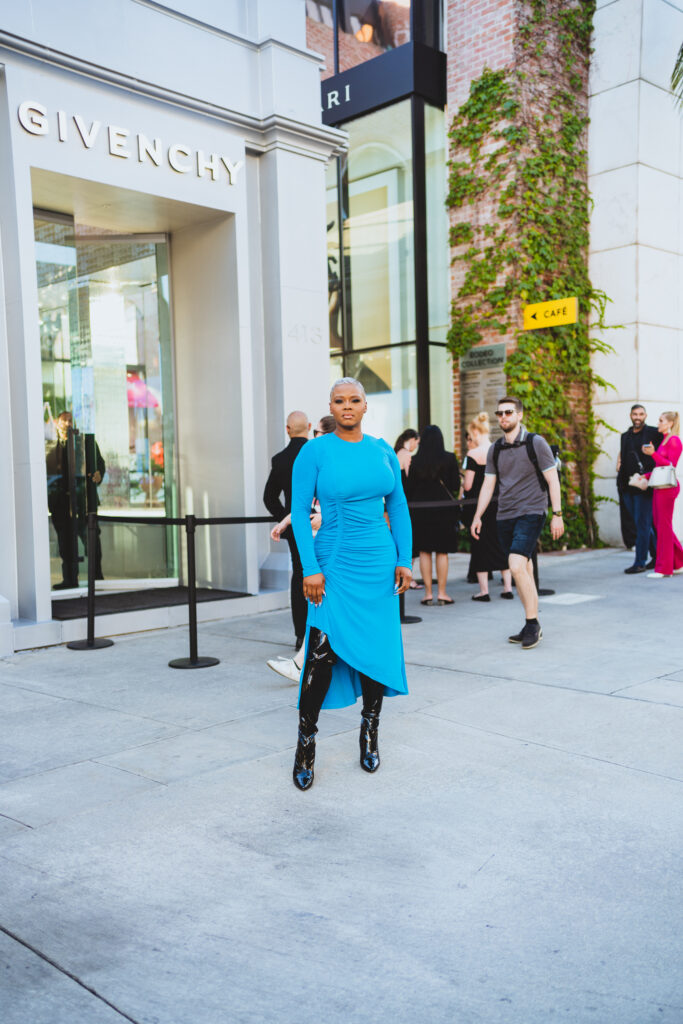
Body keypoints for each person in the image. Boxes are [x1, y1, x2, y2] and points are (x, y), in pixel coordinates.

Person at [289, 377, 412, 791]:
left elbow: (397, 505)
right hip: (333, 565)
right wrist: (310, 567)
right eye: (339, 401)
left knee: (375, 650)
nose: (347, 407)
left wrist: (403, 559)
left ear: (364, 406)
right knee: (321, 654)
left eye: (354, 400)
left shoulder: (382, 451)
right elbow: (300, 511)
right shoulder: (314, 451)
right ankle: (306, 744)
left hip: (378, 564)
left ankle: (370, 731)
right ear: (331, 406)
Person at [471, 396, 564, 650]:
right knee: (525, 569)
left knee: (514, 565)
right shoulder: (496, 449)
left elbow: (552, 480)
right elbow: (488, 484)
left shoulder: (536, 443)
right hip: (505, 515)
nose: (503, 417)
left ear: (519, 415)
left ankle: (533, 623)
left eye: (508, 412)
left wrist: (557, 514)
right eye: (499, 413)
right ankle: (530, 622)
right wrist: (478, 516)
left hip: (532, 512)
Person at [266, 414, 336, 682]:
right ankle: (302, 660)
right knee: (318, 595)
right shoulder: (316, 458)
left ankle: (303, 657)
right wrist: (287, 520)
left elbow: (354, 503)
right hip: (315, 536)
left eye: (318, 432)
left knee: (315, 591)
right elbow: (306, 501)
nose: (314, 437)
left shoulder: (329, 461)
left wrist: (288, 519)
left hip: (332, 541)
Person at [263, 411, 310, 650]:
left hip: (297, 527)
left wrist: (288, 521)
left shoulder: (280, 459)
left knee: (300, 575)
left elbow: (269, 498)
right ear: (310, 427)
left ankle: (301, 634)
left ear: (287, 429)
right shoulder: (318, 455)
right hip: (325, 524)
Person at [45, 410, 105, 588]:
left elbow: (99, 464)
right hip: (60, 503)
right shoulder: (50, 444)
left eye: (70, 420)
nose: (68, 423)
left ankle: (97, 579)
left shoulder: (85, 442)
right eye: (64, 421)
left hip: (83, 500)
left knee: (91, 539)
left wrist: (98, 475)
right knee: (65, 543)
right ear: (57, 423)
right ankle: (70, 581)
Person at [403, 424, 460, 605]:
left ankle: (427, 593)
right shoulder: (449, 458)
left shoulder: (415, 461)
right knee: (442, 553)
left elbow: (409, 489)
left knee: (424, 552)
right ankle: (442, 592)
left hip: (420, 512)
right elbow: (455, 486)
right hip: (444, 510)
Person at [462, 412, 513, 601]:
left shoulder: (473, 454)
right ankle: (507, 587)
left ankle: (484, 591)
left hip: (479, 505)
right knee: (501, 543)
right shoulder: (499, 449)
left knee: (480, 545)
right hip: (499, 502)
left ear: (475, 431)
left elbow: (468, 485)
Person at [617, 404, 661, 573]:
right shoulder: (625, 436)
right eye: (635, 414)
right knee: (640, 523)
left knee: (642, 524)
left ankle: (640, 562)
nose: (638, 417)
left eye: (641, 414)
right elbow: (624, 457)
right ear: (630, 415)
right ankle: (655, 556)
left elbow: (661, 454)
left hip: (644, 486)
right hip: (627, 485)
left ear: (645, 415)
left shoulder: (653, 433)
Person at [639, 412, 683, 578]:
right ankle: (679, 562)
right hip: (660, 487)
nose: (658, 423)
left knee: (663, 527)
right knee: (661, 525)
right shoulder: (664, 440)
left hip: (667, 489)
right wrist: (646, 476)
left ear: (670, 423)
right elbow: (660, 467)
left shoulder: (674, 441)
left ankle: (664, 569)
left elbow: (670, 465)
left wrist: (653, 454)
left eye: (661, 420)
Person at [393, 428, 422, 588]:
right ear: (412, 439)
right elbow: (411, 480)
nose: (415, 447)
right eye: (416, 443)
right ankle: (407, 576)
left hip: (394, 502)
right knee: (409, 539)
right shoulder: (407, 455)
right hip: (408, 502)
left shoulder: (395, 452)